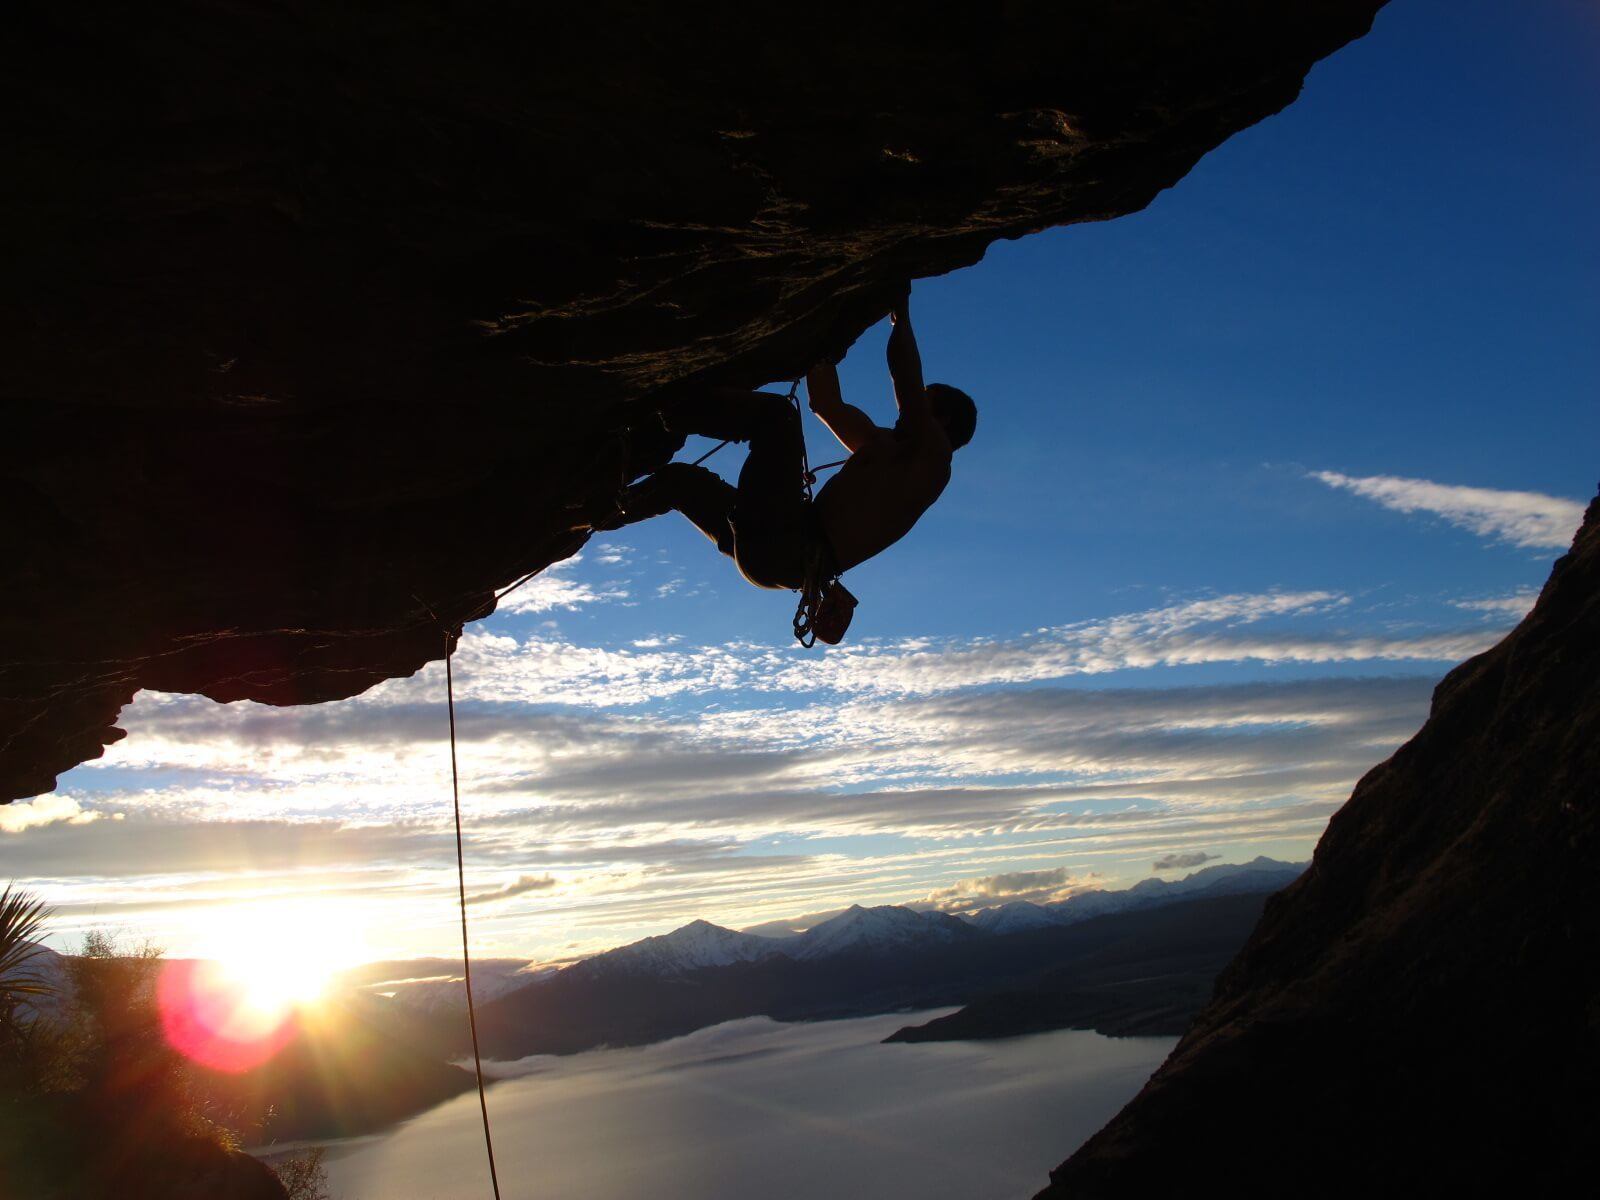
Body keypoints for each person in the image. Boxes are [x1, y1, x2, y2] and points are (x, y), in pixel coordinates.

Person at [600, 290, 977, 642]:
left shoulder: (933, 462)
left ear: (941, 423)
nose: (904, 412)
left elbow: (907, 383)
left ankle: (669, 403)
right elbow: (826, 403)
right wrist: (822, 352)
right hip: (774, 556)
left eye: (926, 404)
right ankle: (594, 513)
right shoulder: (884, 448)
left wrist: (901, 315)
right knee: (678, 482)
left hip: (790, 545)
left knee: (778, 418)